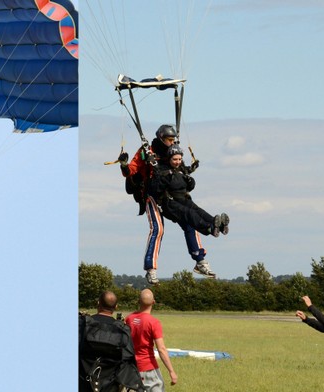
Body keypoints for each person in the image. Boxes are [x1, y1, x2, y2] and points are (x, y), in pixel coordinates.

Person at [120, 124, 209, 284]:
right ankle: (151, 269)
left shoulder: (174, 150)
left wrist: (189, 170)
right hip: (153, 196)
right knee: (158, 229)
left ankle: (200, 261)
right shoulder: (146, 151)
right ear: (162, 138)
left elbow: (179, 168)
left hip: (173, 197)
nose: (172, 142)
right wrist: (124, 166)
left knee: (190, 222)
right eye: (169, 139)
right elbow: (132, 170)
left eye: (173, 139)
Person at [148, 145, 229, 278]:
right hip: (169, 204)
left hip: (182, 199)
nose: (177, 162)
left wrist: (190, 180)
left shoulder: (181, 170)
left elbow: (188, 186)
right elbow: (156, 189)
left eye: (179, 159)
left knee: (198, 211)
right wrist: (165, 178)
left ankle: (217, 225)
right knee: (189, 214)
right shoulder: (161, 170)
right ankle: (209, 228)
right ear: (169, 159)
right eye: (175, 159)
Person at [79, 291, 142, 392]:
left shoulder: (83, 324)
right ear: (116, 307)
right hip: (110, 386)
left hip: (82, 384)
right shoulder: (122, 330)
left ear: (98, 303)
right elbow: (127, 361)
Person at [125, 289, 178, 391]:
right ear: (153, 302)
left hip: (131, 367)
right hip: (148, 366)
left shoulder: (129, 319)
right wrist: (171, 371)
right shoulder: (153, 322)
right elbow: (161, 349)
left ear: (138, 301)